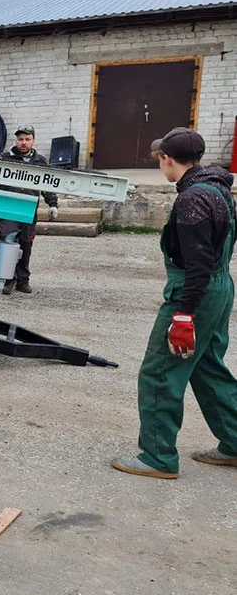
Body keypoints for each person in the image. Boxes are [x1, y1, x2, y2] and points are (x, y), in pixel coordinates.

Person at [112, 127, 237, 479]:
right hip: (220, 287)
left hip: (195, 292)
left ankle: (157, 456)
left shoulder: (192, 200)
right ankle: (235, 441)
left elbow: (197, 265)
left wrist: (184, 315)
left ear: (168, 159)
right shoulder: (219, 189)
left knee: (160, 373)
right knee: (207, 366)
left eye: (160, 159)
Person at [0, 125, 59, 294]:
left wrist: (52, 204)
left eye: (27, 139)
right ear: (16, 141)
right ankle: (9, 280)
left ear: (33, 141)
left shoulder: (39, 161)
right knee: (9, 241)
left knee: (26, 244)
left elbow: (48, 184)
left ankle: (23, 280)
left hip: (29, 210)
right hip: (8, 209)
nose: (23, 143)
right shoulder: (3, 158)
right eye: (20, 139)